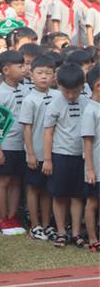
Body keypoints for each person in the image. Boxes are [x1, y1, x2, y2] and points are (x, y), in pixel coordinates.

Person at [42, 63, 88, 248]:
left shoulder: (87, 102)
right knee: (59, 195)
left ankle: (75, 233)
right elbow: (48, 132)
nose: (70, 96)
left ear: (82, 87)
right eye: (66, 92)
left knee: (77, 195)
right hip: (60, 155)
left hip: (81, 155)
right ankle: (61, 231)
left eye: (74, 92)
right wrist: (47, 159)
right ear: (59, 86)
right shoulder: (55, 103)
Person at [0, 51, 29, 236]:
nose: (24, 69)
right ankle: (2, 218)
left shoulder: (26, 89)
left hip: (23, 145)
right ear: (6, 70)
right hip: (6, 144)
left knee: (16, 181)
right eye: (20, 66)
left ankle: (13, 216)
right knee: (4, 180)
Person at [19, 55, 56, 242]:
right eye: (40, 73)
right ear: (31, 75)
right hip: (36, 151)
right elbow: (27, 128)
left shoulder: (57, 96)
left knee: (48, 189)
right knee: (34, 188)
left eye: (48, 73)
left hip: (54, 152)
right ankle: (35, 225)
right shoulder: (29, 100)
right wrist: (31, 153)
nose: (44, 76)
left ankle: (47, 224)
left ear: (54, 76)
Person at [81, 65, 100, 252]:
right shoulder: (90, 111)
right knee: (92, 202)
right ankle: (93, 238)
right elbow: (87, 141)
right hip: (96, 166)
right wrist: (90, 169)